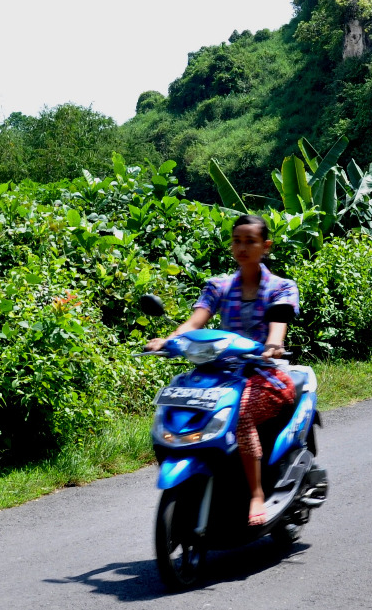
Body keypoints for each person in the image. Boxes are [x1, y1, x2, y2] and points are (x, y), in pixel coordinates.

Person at [147, 213, 299, 526]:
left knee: (240, 413)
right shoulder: (218, 286)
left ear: (265, 246)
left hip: (263, 373)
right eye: (237, 241)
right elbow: (195, 322)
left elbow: (277, 327)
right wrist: (168, 340)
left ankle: (256, 493)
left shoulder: (281, 288)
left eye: (250, 241)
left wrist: (272, 345)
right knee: (175, 400)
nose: (242, 247)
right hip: (220, 373)